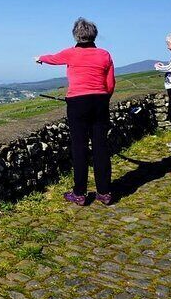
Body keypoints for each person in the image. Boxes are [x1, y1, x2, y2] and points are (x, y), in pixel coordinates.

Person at [35, 18, 115, 206]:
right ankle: (104, 193)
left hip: (77, 103)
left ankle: (79, 193)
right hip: (100, 101)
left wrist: (39, 58)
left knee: (79, 148)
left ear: (75, 35)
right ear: (94, 34)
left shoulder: (70, 54)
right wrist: (103, 98)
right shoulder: (105, 54)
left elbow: (52, 58)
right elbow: (110, 84)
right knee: (100, 148)